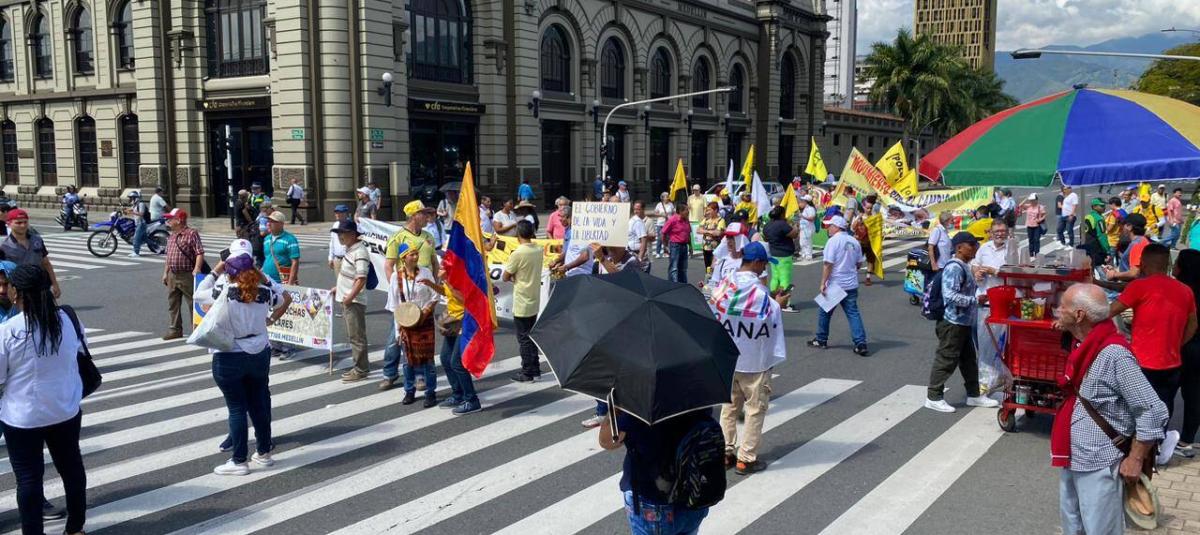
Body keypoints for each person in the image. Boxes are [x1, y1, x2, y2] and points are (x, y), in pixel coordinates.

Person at [1054, 283, 1167, 535]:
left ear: (1080, 315)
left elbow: (1152, 410)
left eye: (1063, 306)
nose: (1057, 310)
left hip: (1100, 460)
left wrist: (1135, 458)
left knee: (1100, 529)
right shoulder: (1083, 344)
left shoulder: (1114, 354)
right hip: (1075, 455)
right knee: (1073, 525)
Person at [0, 264, 87, 535]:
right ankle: (75, 529)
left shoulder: (8, 330)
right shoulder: (69, 319)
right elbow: (77, 355)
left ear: (17, 292)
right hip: (65, 409)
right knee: (72, 469)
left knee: (28, 480)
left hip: (22, 416)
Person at [195, 245, 290, 476]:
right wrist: (271, 317)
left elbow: (199, 293)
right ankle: (264, 453)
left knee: (236, 408)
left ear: (230, 272)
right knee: (259, 403)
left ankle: (239, 461)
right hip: (259, 351)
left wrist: (215, 270)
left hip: (230, 353)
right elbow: (283, 297)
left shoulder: (225, 291)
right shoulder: (265, 292)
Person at [713, 241, 789, 475]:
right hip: (754, 363)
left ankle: (725, 452)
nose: (764, 267)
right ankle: (746, 458)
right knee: (755, 410)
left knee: (728, 406)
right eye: (764, 263)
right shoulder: (762, 297)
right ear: (756, 262)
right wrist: (780, 302)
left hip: (727, 359)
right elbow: (771, 325)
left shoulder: (725, 285)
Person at [1108, 245, 1198, 442]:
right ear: (1167, 264)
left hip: (1141, 361)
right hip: (1172, 362)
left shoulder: (1139, 286)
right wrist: (1178, 344)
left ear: (1144, 264)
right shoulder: (1185, 291)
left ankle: (1137, 447)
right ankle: (1157, 445)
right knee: (1163, 405)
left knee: (1135, 406)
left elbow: (1110, 311)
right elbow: (1193, 324)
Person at [598, 406, 716, 534]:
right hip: (692, 494)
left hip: (652, 500)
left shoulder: (640, 399)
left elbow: (607, 441)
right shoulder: (699, 392)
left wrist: (614, 408)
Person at [924, 232, 1001, 413]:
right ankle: (933, 396)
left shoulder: (965, 266)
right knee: (947, 359)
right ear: (959, 248)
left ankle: (974, 394)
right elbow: (949, 296)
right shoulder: (954, 267)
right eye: (971, 244)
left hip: (964, 321)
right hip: (952, 322)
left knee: (968, 360)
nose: (975, 247)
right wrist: (975, 301)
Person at [381, 201, 438, 390]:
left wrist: (435, 287)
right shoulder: (397, 237)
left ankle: (420, 376)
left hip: (423, 294)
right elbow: (389, 265)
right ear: (413, 215)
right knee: (395, 336)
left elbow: (434, 263)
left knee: (420, 337)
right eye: (423, 214)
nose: (426, 217)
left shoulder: (429, 236)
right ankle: (389, 373)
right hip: (405, 295)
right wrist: (397, 289)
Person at [810, 215, 869, 356]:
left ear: (836, 227)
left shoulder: (833, 241)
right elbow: (859, 263)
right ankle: (860, 342)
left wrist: (823, 283)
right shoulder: (854, 241)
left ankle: (821, 338)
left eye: (829, 226)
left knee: (825, 311)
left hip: (836, 283)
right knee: (853, 313)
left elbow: (828, 264)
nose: (828, 228)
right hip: (851, 283)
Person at [393, 241, 440, 405]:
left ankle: (430, 392)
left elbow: (435, 296)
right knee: (408, 361)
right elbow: (394, 303)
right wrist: (397, 329)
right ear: (403, 258)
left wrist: (424, 313)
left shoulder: (425, 272)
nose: (415, 257)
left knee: (428, 360)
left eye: (416, 254)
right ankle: (409, 391)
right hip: (406, 322)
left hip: (424, 321)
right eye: (412, 254)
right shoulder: (396, 276)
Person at [971, 220, 1011, 399]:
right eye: (996, 231)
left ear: (1008, 232)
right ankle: (985, 381)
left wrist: (995, 271)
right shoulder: (984, 248)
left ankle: (1001, 378)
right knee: (985, 344)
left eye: (1003, 231)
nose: (1000, 234)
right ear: (990, 232)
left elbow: (1018, 272)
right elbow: (974, 264)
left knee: (1002, 343)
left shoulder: (1013, 249)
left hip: (1004, 301)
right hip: (984, 300)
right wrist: (977, 272)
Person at [332, 220, 373, 383]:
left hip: (354, 301)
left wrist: (349, 297)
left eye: (342, 233)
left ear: (352, 234)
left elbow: (361, 278)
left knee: (356, 336)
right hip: (348, 298)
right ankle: (359, 366)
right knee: (353, 335)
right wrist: (338, 288)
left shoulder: (360, 252)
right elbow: (349, 275)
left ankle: (361, 369)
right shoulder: (350, 250)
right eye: (338, 233)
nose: (340, 236)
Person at [504, 220, 544, 383]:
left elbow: (505, 276)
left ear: (518, 234)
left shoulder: (518, 253)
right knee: (531, 335)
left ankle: (527, 371)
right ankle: (535, 368)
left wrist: (514, 276)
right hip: (534, 296)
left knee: (523, 338)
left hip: (522, 298)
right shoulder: (538, 249)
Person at [162, 209, 204, 340]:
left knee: (193, 303)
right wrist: (165, 273)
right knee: (173, 303)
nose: (168, 221)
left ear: (179, 220)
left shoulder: (191, 234)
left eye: (171, 218)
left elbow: (199, 252)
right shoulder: (172, 235)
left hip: (187, 274)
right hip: (173, 274)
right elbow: (169, 257)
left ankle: (197, 330)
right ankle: (175, 329)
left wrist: (197, 268)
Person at [1, 210, 61, 299]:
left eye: (25, 222)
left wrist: (55, 284)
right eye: (18, 223)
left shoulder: (37, 240)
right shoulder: (3, 245)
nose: (23, 225)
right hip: (17, 288)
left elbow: (46, 263)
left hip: (39, 285)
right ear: (9, 223)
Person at [1175, 250, 1200, 458]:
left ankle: (1156, 439)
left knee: (1163, 392)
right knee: (1194, 396)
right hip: (1197, 349)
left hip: (1183, 347)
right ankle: (1186, 440)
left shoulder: (1181, 291)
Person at [763, 206, 797, 311]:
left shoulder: (767, 225)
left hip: (773, 254)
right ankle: (784, 303)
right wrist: (795, 226)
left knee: (775, 277)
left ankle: (773, 299)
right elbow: (794, 234)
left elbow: (765, 237)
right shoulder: (782, 224)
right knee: (784, 279)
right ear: (782, 214)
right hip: (784, 255)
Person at [1103, 213, 1150, 282]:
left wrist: (1114, 275)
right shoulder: (1143, 240)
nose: (1121, 228)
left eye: (1123, 225)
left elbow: (1134, 273)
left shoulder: (1136, 245)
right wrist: (1115, 270)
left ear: (1129, 227)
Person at [263, 212, 300, 285]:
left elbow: (295, 262)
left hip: (282, 282)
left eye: (272, 222)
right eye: (268, 221)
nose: (268, 224)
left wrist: (290, 284)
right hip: (267, 281)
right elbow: (267, 258)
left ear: (281, 224)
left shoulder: (290, 239)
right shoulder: (267, 239)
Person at [708, 223, 748, 290]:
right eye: (727, 237)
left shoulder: (749, 262)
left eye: (732, 237)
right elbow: (714, 285)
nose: (728, 241)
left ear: (742, 239)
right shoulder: (721, 261)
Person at [661, 202, 692, 284]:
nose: (688, 212)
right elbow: (663, 232)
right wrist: (665, 246)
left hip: (684, 246)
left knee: (683, 268)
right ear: (680, 211)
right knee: (674, 267)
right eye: (686, 210)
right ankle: (673, 284)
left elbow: (688, 233)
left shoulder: (686, 220)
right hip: (675, 246)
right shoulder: (672, 220)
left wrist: (690, 246)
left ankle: (683, 284)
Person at [697, 202, 726, 278]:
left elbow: (718, 233)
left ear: (716, 210)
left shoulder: (721, 220)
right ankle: (708, 282)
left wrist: (705, 231)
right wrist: (709, 232)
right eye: (708, 210)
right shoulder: (706, 220)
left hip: (715, 248)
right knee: (707, 267)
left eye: (710, 210)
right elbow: (698, 230)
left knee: (715, 267)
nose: (708, 212)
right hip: (706, 247)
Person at [1080, 198, 1111, 269]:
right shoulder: (1098, 219)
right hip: (1096, 249)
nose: (1104, 208)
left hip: (1086, 248)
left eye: (1104, 206)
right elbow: (1102, 236)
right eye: (1101, 206)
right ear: (1094, 207)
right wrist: (1107, 251)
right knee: (1101, 270)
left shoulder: (1087, 217)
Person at [627, 201, 652, 269]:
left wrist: (639, 258)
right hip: (630, 255)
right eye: (634, 209)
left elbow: (643, 241)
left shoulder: (637, 222)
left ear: (643, 210)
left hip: (637, 254)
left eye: (638, 209)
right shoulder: (630, 220)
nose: (636, 211)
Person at [1021, 193, 1047, 257]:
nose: (1031, 202)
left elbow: (1044, 215)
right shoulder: (1028, 206)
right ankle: (1031, 252)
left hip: (1037, 226)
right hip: (1029, 225)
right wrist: (1026, 198)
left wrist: (1040, 220)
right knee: (1030, 239)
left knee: (1036, 239)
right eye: (1030, 200)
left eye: (1033, 200)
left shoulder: (1040, 207)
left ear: (1036, 200)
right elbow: (1020, 205)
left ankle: (1037, 252)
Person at [327, 205, 351, 271]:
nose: (336, 214)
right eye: (336, 212)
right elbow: (332, 242)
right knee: (339, 281)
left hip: (348, 259)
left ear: (345, 213)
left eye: (339, 212)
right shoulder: (335, 225)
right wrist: (330, 257)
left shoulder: (351, 225)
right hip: (337, 259)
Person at [126, 190, 149, 257]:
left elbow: (141, 214)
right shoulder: (135, 204)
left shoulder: (141, 204)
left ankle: (136, 252)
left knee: (136, 238)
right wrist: (126, 210)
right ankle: (158, 248)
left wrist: (132, 212)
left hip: (141, 224)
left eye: (132, 198)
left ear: (136, 198)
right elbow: (132, 209)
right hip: (138, 223)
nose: (130, 199)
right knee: (146, 239)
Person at [653, 193, 675, 259]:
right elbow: (655, 213)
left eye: (667, 197)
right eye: (665, 197)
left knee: (667, 238)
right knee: (660, 238)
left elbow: (673, 213)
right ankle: (658, 252)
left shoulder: (671, 204)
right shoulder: (659, 205)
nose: (667, 198)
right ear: (662, 198)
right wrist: (662, 215)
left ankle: (666, 252)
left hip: (668, 224)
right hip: (660, 223)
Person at [797, 195, 816, 261]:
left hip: (808, 228)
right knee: (802, 242)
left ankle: (808, 255)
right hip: (803, 228)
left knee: (807, 242)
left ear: (806, 202)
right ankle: (803, 254)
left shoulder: (811, 209)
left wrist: (802, 216)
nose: (801, 202)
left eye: (803, 201)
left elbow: (812, 218)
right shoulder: (805, 209)